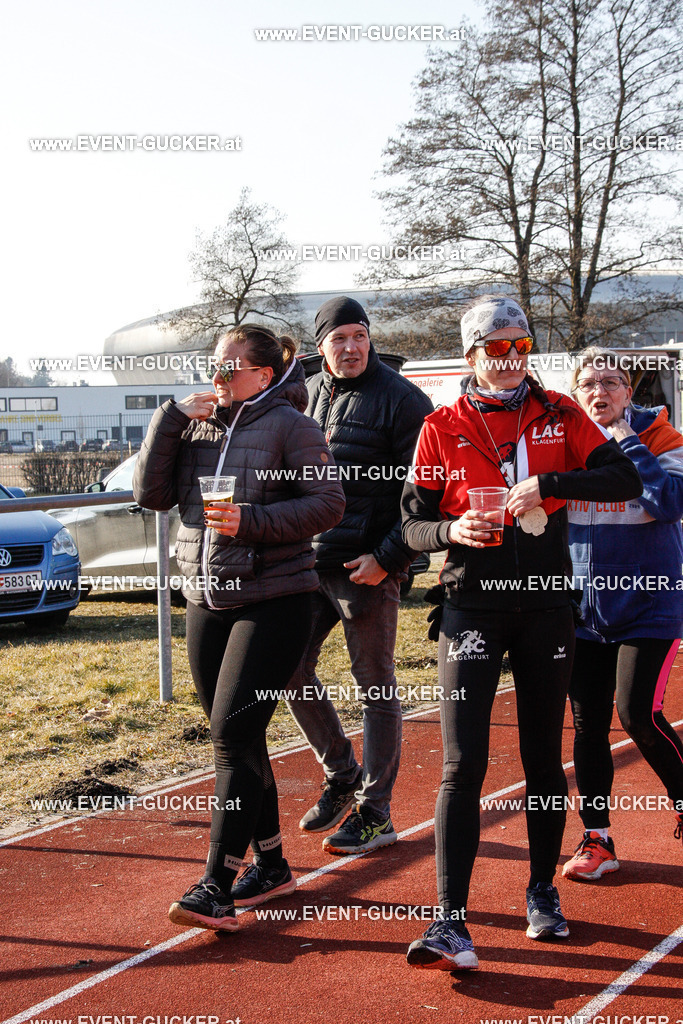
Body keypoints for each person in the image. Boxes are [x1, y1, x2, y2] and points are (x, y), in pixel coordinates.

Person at [400, 296, 642, 971]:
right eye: (498, 347)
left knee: (542, 756)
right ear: (472, 354)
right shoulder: (440, 425)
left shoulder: (562, 413)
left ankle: (541, 892)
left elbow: (622, 475)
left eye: (522, 346)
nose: (512, 359)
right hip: (469, 607)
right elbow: (410, 524)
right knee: (460, 764)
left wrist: (550, 483)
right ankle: (449, 922)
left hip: (544, 608)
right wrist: (449, 531)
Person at [133, 324, 345, 930]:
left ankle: (216, 885)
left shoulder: (294, 426)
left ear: (264, 374)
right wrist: (168, 420)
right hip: (205, 594)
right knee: (239, 737)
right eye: (213, 366)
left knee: (230, 735)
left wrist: (251, 520)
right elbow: (150, 495)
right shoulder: (195, 422)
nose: (217, 377)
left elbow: (329, 505)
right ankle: (273, 864)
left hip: (276, 598)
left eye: (230, 368)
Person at [285, 296, 433, 855]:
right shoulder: (306, 393)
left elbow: (424, 497)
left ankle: (375, 811)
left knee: (374, 684)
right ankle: (341, 773)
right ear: (320, 345)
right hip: (307, 562)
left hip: (368, 567)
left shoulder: (403, 401)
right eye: (339, 339)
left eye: (359, 336)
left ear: (369, 339)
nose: (350, 348)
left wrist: (388, 559)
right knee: (288, 667)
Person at [561, 348, 683, 881]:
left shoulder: (660, 436)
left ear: (628, 392)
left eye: (611, 382)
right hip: (586, 610)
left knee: (638, 714)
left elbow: (672, 502)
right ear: (576, 391)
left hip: (652, 603)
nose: (599, 392)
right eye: (588, 383)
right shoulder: (567, 443)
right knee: (588, 725)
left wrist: (627, 443)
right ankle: (598, 839)